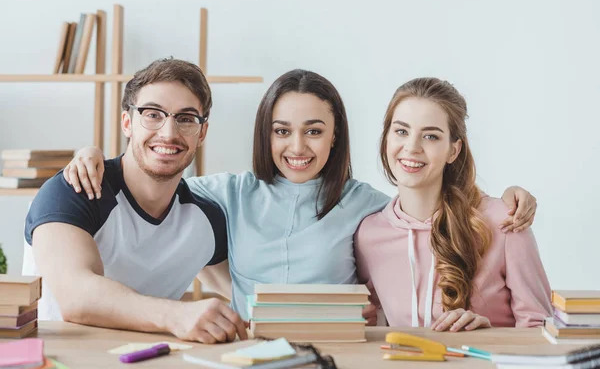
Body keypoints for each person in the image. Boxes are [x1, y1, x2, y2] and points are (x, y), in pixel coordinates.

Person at [63, 70, 538, 322]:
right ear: (265, 134)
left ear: (335, 137)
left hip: (340, 355)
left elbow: (427, 202)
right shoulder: (229, 193)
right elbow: (153, 174)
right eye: (282, 130)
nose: (297, 147)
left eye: (314, 131)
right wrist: (92, 154)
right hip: (252, 352)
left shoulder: (366, 206)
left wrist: (506, 198)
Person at [25, 58, 247, 344]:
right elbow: (76, 296)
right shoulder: (72, 190)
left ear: (202, 132)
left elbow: (249, 295)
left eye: (186, 118)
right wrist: (176, 316)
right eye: (153, 114)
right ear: (127, 122)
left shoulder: (204, 220)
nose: (169, 133)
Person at [354, 78, 552, 331]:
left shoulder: (505, 221)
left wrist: (488, 335)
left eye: (431, 136)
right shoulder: (369, 235)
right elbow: (369, 321)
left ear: (453, 151)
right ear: (386, 139)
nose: (412, 147)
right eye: (401, 131)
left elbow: (541, 328)